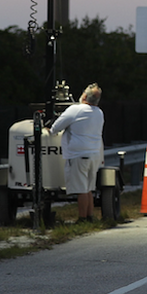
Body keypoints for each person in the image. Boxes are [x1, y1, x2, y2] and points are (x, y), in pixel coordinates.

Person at [50, 84, 104, 222]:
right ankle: (90, 216)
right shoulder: (99, 113)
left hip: (78, 155)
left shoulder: (75, 110)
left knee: (81, 189)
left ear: (84, 96)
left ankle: (82, 218)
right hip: (94, 155)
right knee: (88, 189)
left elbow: (55, 128)